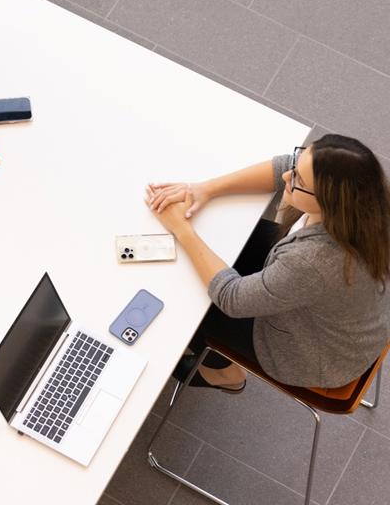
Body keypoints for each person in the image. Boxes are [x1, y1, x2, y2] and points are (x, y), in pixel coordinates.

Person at [145, 134, 390, 392]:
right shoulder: (367, 200)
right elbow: (283, 166)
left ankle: (227, 375)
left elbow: (231, 298)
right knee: (223, 240)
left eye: (298, 180)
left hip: (315, 354)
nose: (288, 176)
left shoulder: (314, 262)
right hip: (343, 318)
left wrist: (181, 229)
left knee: (189, 305)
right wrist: (205, 188)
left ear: (328, 202)